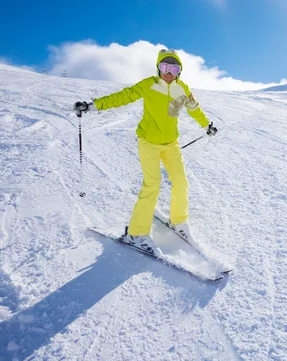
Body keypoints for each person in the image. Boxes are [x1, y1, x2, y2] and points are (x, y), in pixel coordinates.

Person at [74, 49, 218, 255]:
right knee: (153, 184)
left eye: (174, 68)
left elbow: (194, 108)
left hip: (171, 144)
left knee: (181, 181)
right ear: (158, 67)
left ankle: (179, 222)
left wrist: (207, 125)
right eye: (164, 67)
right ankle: (136, 233)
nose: (169, 72)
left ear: (179, 71)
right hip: (148, 142)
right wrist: (93, 105)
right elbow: (123, 96)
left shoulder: (181, 89)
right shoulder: (149, 84)